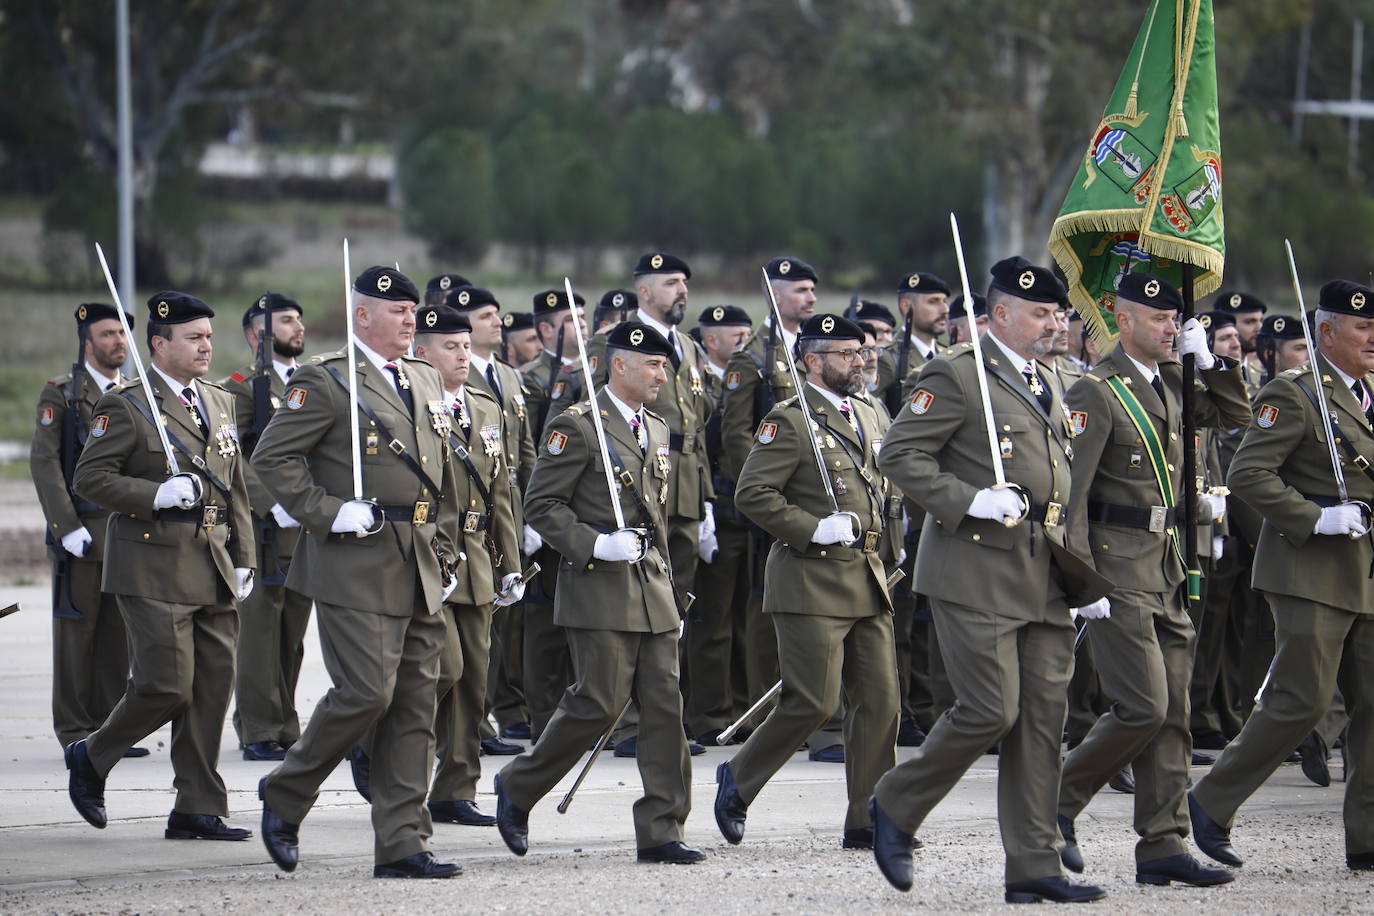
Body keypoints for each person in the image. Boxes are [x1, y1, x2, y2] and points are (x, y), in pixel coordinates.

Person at [866, 257, 1109, 903]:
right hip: (974, 569)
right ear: (1000, 314)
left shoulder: (1053, 378)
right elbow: (898, 453)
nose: (1054, 322)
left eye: (1058, 312)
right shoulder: (955, 373)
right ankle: (895, 801)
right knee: (988, 710)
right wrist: (967, 499)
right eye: (1039, 311)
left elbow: (1065, 486)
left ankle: (1034, 865)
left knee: (1039, 722)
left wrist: (1086, 576)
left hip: (1045, 574)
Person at [253, 266, 464, 879]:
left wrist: (445, 551)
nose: (409, 319)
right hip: (354, 557)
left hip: (419, 558)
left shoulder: (423, 378)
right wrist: (327, 512)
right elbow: (272, 458)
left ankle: (402, 843)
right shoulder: (326, 380)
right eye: (395, 309)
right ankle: (287, 792)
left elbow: (440, 476)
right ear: (361, 314)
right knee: (367, 692)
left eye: (411, 309)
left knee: (414, 706)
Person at [1055, 272, 1249, 888]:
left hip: (1168, 564)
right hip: (1117, 566)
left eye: (1176, 319)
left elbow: (1236, 415)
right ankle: (1054, 803)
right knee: (1143, 705)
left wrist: (1209, 362)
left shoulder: (1171, 382)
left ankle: (1162, 843)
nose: (1171, 328)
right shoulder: (1098, 390)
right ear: (1123, 318)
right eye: (1160, 318)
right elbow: (1073, 498)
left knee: (1173, 713)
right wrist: (1082, 583)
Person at [494, 321, 702, 865]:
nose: (663, 375)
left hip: (652, 587)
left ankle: (662, 827)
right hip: (598, 586)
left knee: (663, 708)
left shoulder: (655, 428)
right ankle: (518, 786)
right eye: (653, 365)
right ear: (620, 365)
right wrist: (595, 544)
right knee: (597, 702)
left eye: (664, 364)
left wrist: (672, 592)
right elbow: (542, 506)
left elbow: (656, 519)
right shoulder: (578, 426)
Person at [1190, 280, 1374, 874]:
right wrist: (1317, 516)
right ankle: (1211, 800)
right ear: (1326, 333)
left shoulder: (1369, 395)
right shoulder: (1294, 394)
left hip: (1366, 569)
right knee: (1303, 699)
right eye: (1362, 328)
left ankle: (1367, 835)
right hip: (1310, 568)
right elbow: (1248, 474)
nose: (1373, 338)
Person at [67, 292, 255, 841]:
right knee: (167, 684)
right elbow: (90, 479)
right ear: (159, 343)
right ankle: (93, 755)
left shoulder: (218, 401)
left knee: (212, 687)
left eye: (208, 337)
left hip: (212, 562)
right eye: (194, 337)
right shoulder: (127, 404)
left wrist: (244, 555)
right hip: (151, 565)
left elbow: (234, 486)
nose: (206, 347)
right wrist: (155, 494)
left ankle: (197, 805)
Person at [714, 313, 900, 849]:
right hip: (811, 578)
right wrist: (813, 527)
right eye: (846, 354)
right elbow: (753, 492)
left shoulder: (870, 412)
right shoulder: (789, 420)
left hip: (867, 575)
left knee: (881, 703)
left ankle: (869, 818)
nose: (860, 361)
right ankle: (740, 779)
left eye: (861, 352)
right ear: (814, 361)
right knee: (813, 702)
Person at [588, 252, 713, 758]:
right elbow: (591, 418)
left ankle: (662, 717)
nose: (681, 290)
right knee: (630, 605)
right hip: (629, 486)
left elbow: (696, 426)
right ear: (644, 291)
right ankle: (627, 720)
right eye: (671, 282)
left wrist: (702, 496)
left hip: (679, 486)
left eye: (684, 281)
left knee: (673, 604)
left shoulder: (686, 347)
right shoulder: (611, 345)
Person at [412, 304, 523, 826]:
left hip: (478, 559)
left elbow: (500, 490)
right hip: (431, 558)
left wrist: (510, 562)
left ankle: (455, 789)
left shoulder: (484, 406)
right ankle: (375, 740)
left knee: (474, 681)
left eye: (464, 345)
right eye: (449, 347)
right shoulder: (413, 404)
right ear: (421, 353)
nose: (462, 355)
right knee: (443, 668)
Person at [30, 303, 142, 756]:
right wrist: (66, 525)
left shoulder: (135, 394)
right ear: (87, 341)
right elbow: (46, 464)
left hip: (122, 532)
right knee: (77, 637)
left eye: (122, 333)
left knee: (119, 635)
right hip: (82, 534)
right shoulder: (61, 394)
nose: (118, 341)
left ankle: (110, 729)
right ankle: (75, 729)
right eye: (108, 334)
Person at [222, 292, 312, 762]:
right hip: (263, 525)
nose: (298, 328)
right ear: (257, 334)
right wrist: (272, 500)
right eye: (286, 321)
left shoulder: (310, 382)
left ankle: (285, 722)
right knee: (259, 631)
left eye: (299, 320)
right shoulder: (240, 387)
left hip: (304, 526)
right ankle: (257, 726)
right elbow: (230, 453)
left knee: (292, 632)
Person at [448, 285, 538, 748]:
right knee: (462, 642)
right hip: (460, 515)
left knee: (495, 630)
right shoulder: (445, 380)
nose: (497, 323)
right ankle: (475, 726)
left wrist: (531, 510)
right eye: (486, 316)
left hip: (504, 502)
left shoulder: (507, 376)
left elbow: (521, 452)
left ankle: (481, 722)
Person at [517, 289, 588, 741]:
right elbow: (529, 451)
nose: (580, 327)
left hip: (581, 514)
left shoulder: (590, 372)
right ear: (545, 330)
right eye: (569, 320)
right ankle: (542, 720)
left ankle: (574, 719)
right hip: (545, 512)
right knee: (542, 624)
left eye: (583, 317)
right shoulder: (529, 378)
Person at [686, 305, 755, 745]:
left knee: (746, 620)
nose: (745, 343)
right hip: (718, 509)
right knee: (712, 620)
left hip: (746, 514)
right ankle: (710, 715)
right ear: (711, 340)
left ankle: (742, 710)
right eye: (737, 335)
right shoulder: (695, 379)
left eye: (749, 335)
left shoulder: (754, 376)